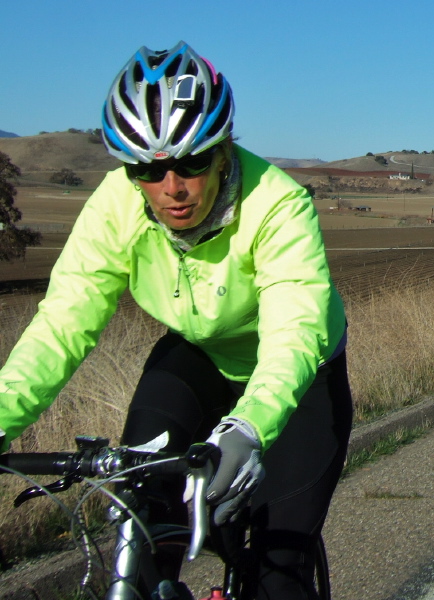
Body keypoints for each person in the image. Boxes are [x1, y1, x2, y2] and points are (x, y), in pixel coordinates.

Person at [0, 41, 351, 599]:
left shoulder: (278, 204)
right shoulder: (116, 204)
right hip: (196, 357)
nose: (172, 188)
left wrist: (250, 426)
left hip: (301, 379)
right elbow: (63, 322)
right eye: (147, 168)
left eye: (191, 162)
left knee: (280, 568)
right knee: (136, 535)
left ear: (222, 149)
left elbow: (293, 334)